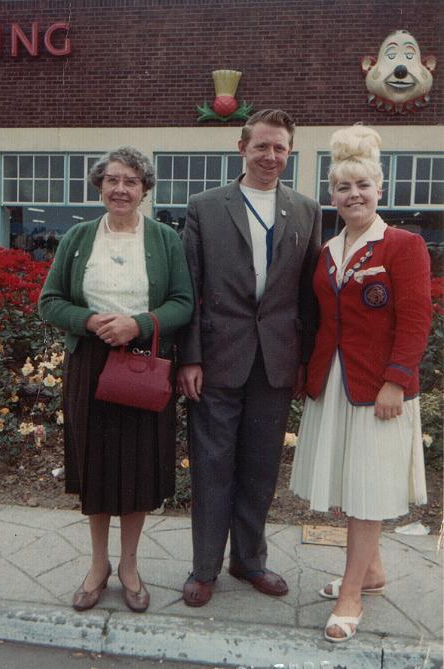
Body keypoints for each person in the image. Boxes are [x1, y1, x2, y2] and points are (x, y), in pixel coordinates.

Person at [290, 125, 432, 642]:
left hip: (380, 390)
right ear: (332, 195)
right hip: (333, 382)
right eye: (343, 188)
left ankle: (351, 595)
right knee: (351, 485)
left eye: (363, 187)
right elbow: (322, 321)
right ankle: (370, 572)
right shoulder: (328, 250)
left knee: (367, 490)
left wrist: (397, 381)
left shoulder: (404, 244)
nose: (353, 196)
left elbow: (416, 320)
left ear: (380, 190)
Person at [38, 147, 193, 613]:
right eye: (111, 180)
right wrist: (88, 321)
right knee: (96, 466)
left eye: (130, 181)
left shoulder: (165, 239)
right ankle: (97, 564)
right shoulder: (79, 237)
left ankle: (129, 565)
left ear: (145, 189)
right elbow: (49, 301)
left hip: (144, 366)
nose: (120, 188)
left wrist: (139, 325)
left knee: (139, 467)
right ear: (99, 186)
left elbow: (184, 302)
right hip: (90, 365)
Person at [177, 109, 322, 606]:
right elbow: (189, 287)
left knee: (261, 466)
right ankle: (204, 569)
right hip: (217, 357)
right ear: (242, 147)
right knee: (212, 465)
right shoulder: (205, 206)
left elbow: (308, 294)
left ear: (289, 152)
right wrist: (189, 358)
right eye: (262, 146)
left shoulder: (305, 209)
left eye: (280, 148)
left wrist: (304, 360)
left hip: (276, 361)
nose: (271, 156)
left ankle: (250, 561)